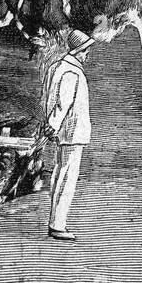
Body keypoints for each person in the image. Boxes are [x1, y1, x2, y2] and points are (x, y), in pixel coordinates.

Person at [41, 29, 92, 243]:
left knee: (60, 174)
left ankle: (56, 222)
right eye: (86, 50)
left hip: (65, 131)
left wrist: (50, 123)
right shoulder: (72, 71)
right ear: (80, 51)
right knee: (66, 177)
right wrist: (53, 124)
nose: (88, 54)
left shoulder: (58, 66)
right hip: (71, 132)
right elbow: (63, 103)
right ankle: (58, 225)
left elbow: (48, 97)